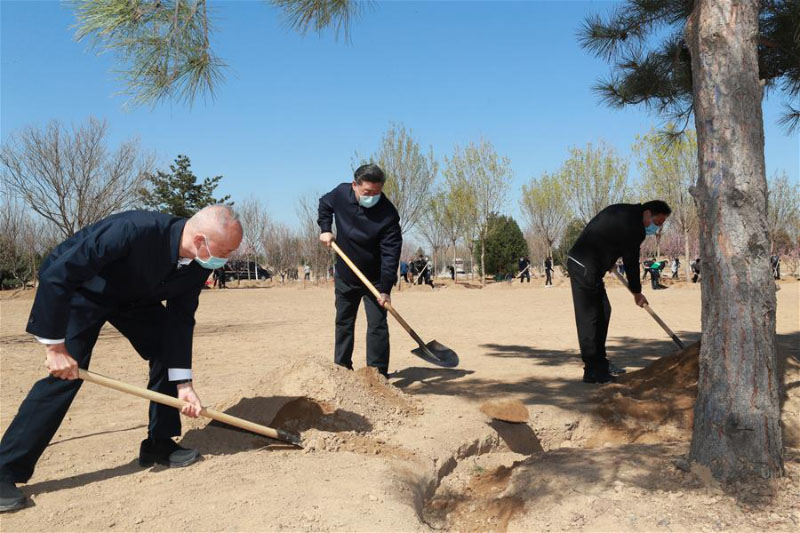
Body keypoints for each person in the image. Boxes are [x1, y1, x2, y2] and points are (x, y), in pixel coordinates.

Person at [0, 206, 243, 513]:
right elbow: (59, 272)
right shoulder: (133, 229)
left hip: (133, 301)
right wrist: (55, 348)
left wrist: (184, 384)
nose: (227, 258)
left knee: (165, 352)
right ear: (199, 240)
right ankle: (5, 470)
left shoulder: (199, 263)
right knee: (67, 375)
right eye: (225, 250)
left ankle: (159, 444)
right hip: (84, 291)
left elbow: (181, 320)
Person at [566, 200, 671, 384]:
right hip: (584, 265)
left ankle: (601, 363)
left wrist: (607, 257)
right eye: (657, 223)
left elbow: (605, 233)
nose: (656, 228)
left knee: (603, 311)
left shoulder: (625, 212)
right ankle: (592, 370)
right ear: (648, 213)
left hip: (589, 264)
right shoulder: (634, 226)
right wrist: (637, 292)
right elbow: (631, 261)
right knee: (590, 317)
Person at [318, 164, 402, 378]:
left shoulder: (388, 214)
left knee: (377, 325)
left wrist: (385, 289)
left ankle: (377, 375)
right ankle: (342, 370)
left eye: (377, 192)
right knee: (344, 322)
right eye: (367, 192)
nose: (372, 197)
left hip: (374, 279)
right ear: (355, 185)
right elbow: (324, 205)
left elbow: (391, 253)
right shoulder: (340, 194)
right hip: (346, 274)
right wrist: (326, 228)